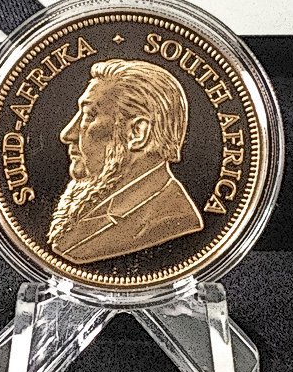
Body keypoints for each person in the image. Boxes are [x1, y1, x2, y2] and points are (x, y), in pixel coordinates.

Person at [48, 58, 204, 265]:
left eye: (88, 116)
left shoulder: (170, 216)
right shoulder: (97, 200)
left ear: (137, 133)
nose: (67, 134)